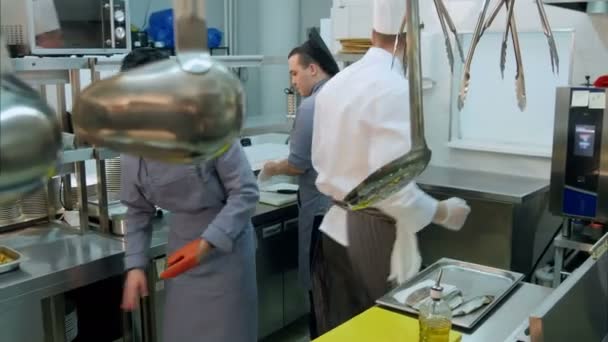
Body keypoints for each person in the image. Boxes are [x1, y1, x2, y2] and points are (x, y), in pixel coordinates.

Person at [310, 0, 472, 334]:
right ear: (412, 39)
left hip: (332, 230)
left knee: (345, 332)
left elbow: (321, 161)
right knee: (388, 330)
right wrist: (441, 211)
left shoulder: (338, 83)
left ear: (372, 33)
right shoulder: (395, 89)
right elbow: (391, 189)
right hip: (371, 236)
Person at [119, 48, 259, 342]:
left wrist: (207, 244)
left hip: (226, 250)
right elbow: (136, 210)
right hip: (182, 253)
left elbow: (245, 192)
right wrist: (135, 265)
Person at [258, 29, 339, 339]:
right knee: (334, 292)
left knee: (318, 290)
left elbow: (297, 164)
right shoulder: (340, 93)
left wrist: (271, 168)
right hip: (341, 207)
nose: (293, 81)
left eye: (295, 73)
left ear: (313, 69)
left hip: (319, 209)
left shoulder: (311, 106)